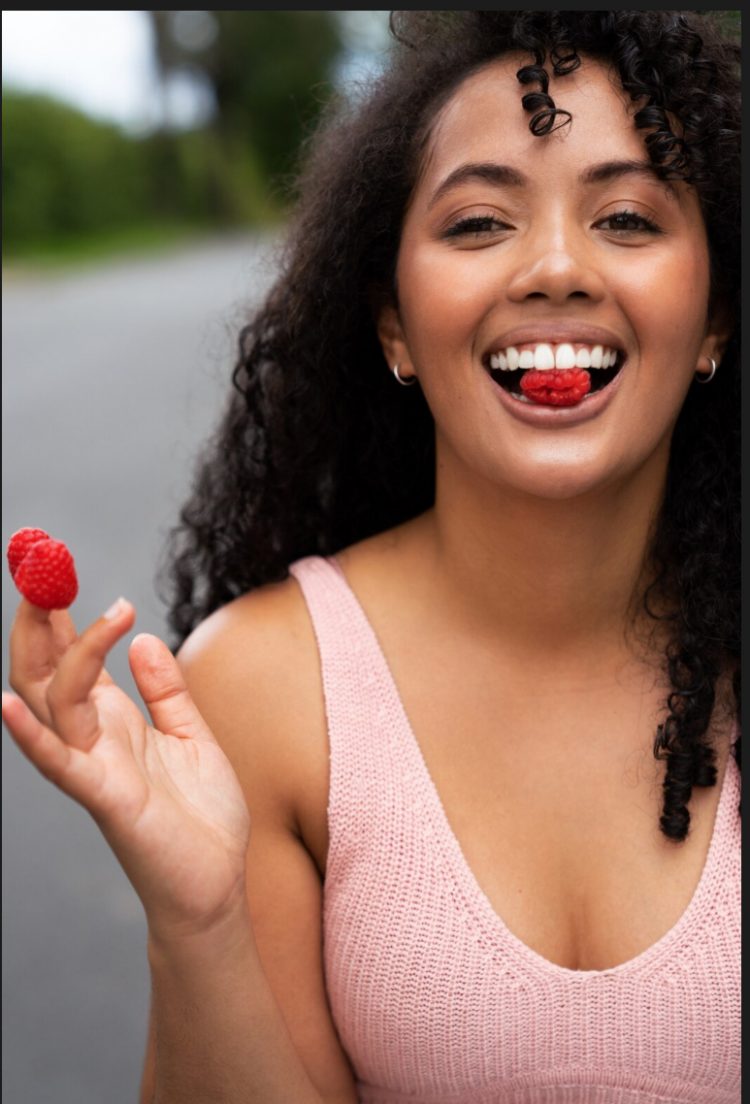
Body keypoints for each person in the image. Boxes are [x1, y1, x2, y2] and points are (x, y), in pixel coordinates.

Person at [3, 11, 739, 1103]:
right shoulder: (262, 686)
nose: (552, 266)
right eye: (481, 221)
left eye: (626, 216)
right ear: (394, 323)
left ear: (718, 317)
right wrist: (201, 926)